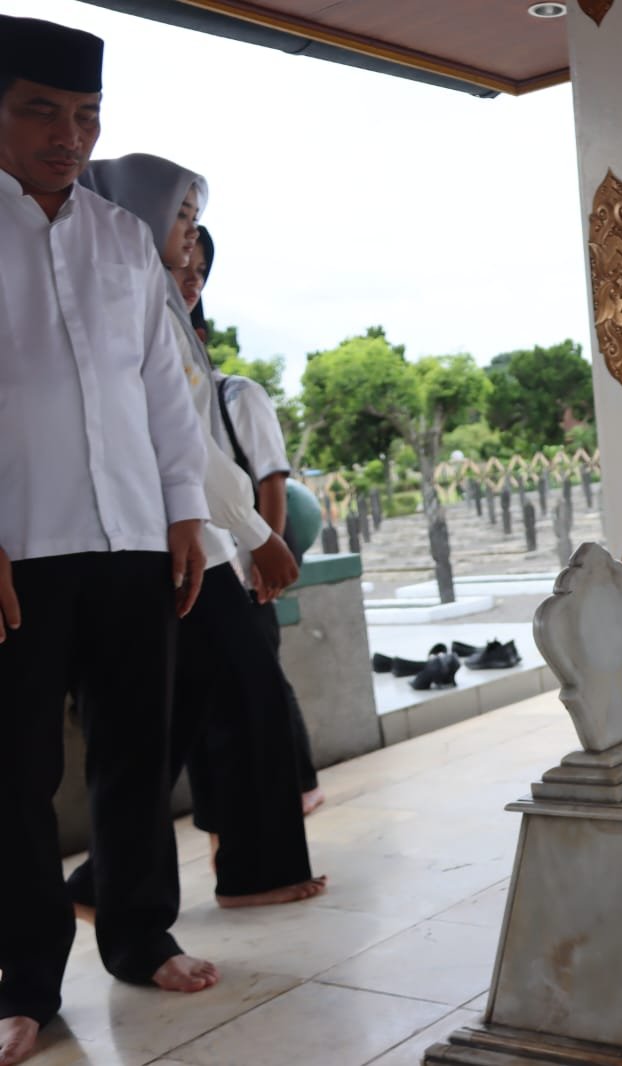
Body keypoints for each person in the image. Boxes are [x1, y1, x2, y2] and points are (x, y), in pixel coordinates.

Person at [0, 18, 219, 1066]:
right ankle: (21, 981)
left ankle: (139, 935)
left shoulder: (123, 238)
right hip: (18, 545)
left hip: (132, 534)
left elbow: (162, 388)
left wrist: (183, 509)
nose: (69, 137)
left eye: (86, 116)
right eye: (40, 111)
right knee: (14, 771)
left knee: (136, 748)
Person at [72, 153, 325, 910]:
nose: (190, 237)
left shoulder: (154, 302)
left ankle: (112, 881)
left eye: (193, 220)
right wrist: (257, 533)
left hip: (193, 541)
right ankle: (243, 874)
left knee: (180, 717)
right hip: (168, 543)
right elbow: (182, 437)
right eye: (180, 217)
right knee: (236, 699)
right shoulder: (128, 298)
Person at [182, 224, 325, 815]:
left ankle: (298, 789)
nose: (190, 281)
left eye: (199, 272)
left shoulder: (238, 395)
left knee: (260, 684)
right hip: (197, 569)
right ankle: (228, 825)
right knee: (211, 706)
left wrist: (263, 552)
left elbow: (271, 478)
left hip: (241, 569)